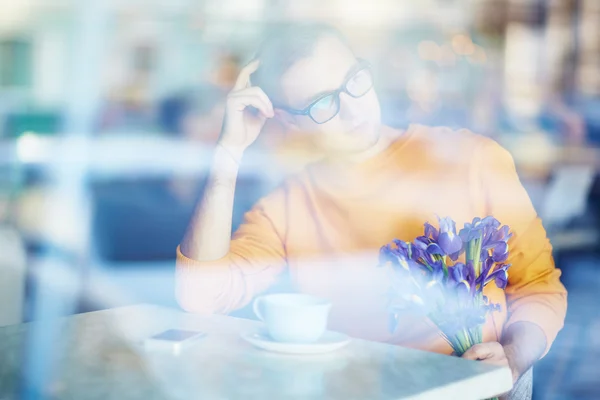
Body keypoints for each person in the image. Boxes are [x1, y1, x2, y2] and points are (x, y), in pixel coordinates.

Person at [176, 23, 567, 386]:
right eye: (322, 102)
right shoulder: (287, 205)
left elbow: (538, 288)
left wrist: (513, 358)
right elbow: (201, 299)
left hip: (463, 385)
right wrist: (229, 153)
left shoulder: (473, 158)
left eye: (353, 81)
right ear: (290, 121)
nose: (351, 108)